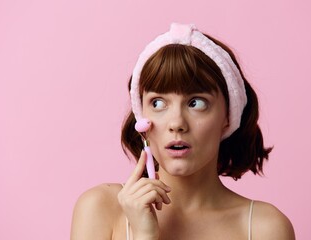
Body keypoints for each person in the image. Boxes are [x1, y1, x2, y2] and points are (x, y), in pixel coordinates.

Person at [70, 23, 295, 240]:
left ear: (228, 116)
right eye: (158, 103)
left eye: (196, 103)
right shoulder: (101, 209)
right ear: (142, 119)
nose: (176, 123)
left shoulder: (264, 228)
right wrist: (144, 236)